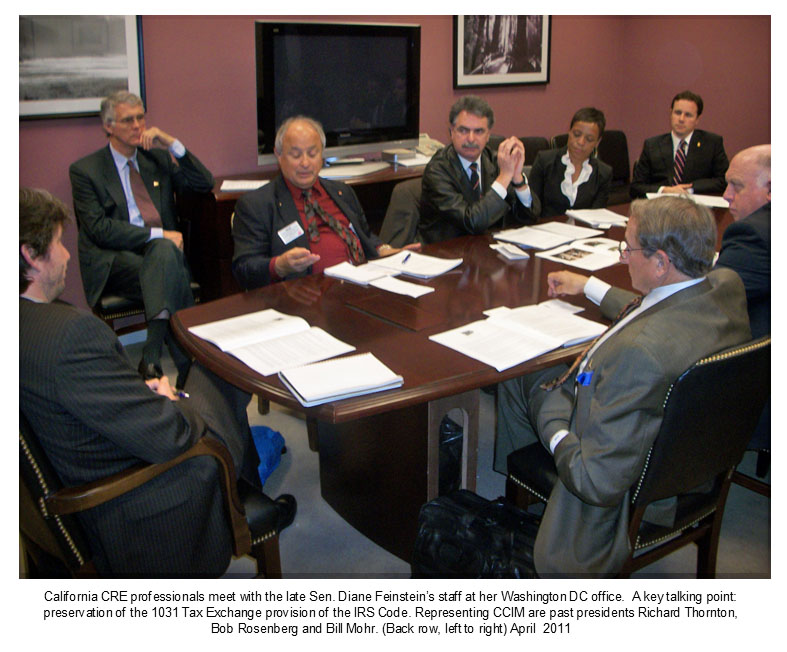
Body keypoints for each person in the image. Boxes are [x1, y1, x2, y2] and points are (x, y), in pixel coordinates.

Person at [19, 188, 295, 577]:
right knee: (220, 367)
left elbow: (86, 397)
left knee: (206, 372)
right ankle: (240, 507)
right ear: (30, 255)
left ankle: (247, 494)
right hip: (136, 503)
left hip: (83, 461)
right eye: (58, 243)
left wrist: (133, 392)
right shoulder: (70, 335)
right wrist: (171, 401)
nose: (66, 255)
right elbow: (172, 436)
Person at [495, 195, 750, 577]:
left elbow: (593, 480)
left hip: (624, 488)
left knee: (524, 379)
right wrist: (590, 286)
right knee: (531, 380)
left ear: (662, 262)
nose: (623, 257)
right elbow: (658, 309)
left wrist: (553, 423)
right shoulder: (724, 286)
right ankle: (528, 503)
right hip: (694, 462)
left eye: (628, 248)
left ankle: (527, 515)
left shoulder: (639, 354)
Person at [69, 91, 214, 386]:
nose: (137, 125)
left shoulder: (156, 159)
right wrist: (159, 234)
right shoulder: (85, 171)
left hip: (160, 258)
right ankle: (190, 368)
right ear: (108, 126)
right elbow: (98, 229)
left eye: (141, 118)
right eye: (127, 120)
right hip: (116, 260)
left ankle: (151, 359)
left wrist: (171, 142)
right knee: (168, 262)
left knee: (163, 258)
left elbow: (204, 183)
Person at [232, 116, 419, 290]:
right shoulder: (257, 205)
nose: (305, 163)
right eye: (296, 155)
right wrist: (279, 266)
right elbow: (244, 269)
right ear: (279, 156)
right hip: (305, 296)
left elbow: (365, 237)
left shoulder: (342, 191)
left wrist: (388, 251)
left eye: (312, 154)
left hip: (362, 286)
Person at [418, 95, 538, 244]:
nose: (471, 139)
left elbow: (530, 215)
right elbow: (472, 221)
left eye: (479, 131)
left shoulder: (494, 160)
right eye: (463, 130)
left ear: (488, 136)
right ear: (451, 133)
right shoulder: (438, 170)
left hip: (488, 251)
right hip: (447, 254)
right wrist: (505, 176)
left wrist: (517, 178)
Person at [715, 144, 771, 451]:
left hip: (755, 389)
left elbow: (705, 303)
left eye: (736, 185)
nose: (725, 195)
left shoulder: (754, 234)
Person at [630, 90, 728, 198]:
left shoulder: (712, 143)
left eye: (688, 115)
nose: (681, 119)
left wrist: (690, 188)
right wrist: (664, 190)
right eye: (677, 113)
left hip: (697, 207)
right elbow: (636, 187)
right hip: (661, 206)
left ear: (697, 119)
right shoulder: (652, 145)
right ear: (670, 113)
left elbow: (723, 180)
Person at [528, 107, 612, 218]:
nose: (581, 142)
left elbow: (596, 217)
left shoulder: (603, 173)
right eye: (576, 134)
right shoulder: (545, 161)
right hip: (546, 231)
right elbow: (531, 208)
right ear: (569, 132)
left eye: (589, 139)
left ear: (597, 142)